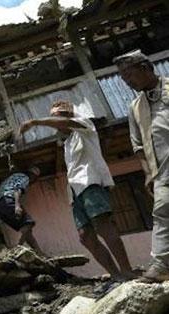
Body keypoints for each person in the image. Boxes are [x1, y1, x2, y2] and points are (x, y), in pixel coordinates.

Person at [18, 100, 135, 281]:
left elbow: (66, 124)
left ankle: (127, 271)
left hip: (91, 182)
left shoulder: (84, 125)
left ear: (68, 116)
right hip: (75, 190)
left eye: (56, 119)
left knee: (103, 226)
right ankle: (116, 275)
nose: (55, 125)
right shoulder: (67, 142)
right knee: (85, 237)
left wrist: (35, 122)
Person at [115, 50, 169, 281]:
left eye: (130, 76)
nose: (127, 83)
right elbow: (137, 145)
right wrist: (148, 173)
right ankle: (161, 265)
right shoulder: (135, 107)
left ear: (145, 68)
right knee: (162, 211)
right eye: (124, 80)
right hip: (163, 170)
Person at [0, 166, 45, 255]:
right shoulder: (25, 177)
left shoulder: (13, 177)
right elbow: (17, 189)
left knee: (26, 230)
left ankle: (40, 253)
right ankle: (18, 249)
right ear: (33, 175)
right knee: (29, 223)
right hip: (8, 200)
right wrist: (17, 206)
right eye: (35, 178)